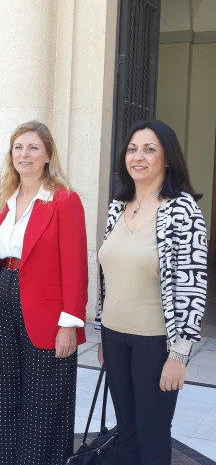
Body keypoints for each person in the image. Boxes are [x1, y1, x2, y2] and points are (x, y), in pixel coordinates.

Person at [96, 119, 207, 465]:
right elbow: (108, 278)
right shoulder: (118, 206)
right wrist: (101, 332)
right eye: (132, 149)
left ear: (168, 158)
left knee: (153, 433)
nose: (138, 156)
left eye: (149, 149)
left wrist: (179, 355)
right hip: (114, 337)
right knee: (126, 432)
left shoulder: (183, 210)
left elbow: (192, 285)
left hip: (154, 342)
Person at [0, 120, 87, 465]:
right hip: (4, 297)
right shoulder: (5, 199)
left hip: (47, 311)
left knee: (44, 401)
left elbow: (76, 266)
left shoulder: (64, 200)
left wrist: (69, 323)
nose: (23, 154)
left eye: (32, 148)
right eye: (18, 147)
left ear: (47, 155)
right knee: (5, 395)